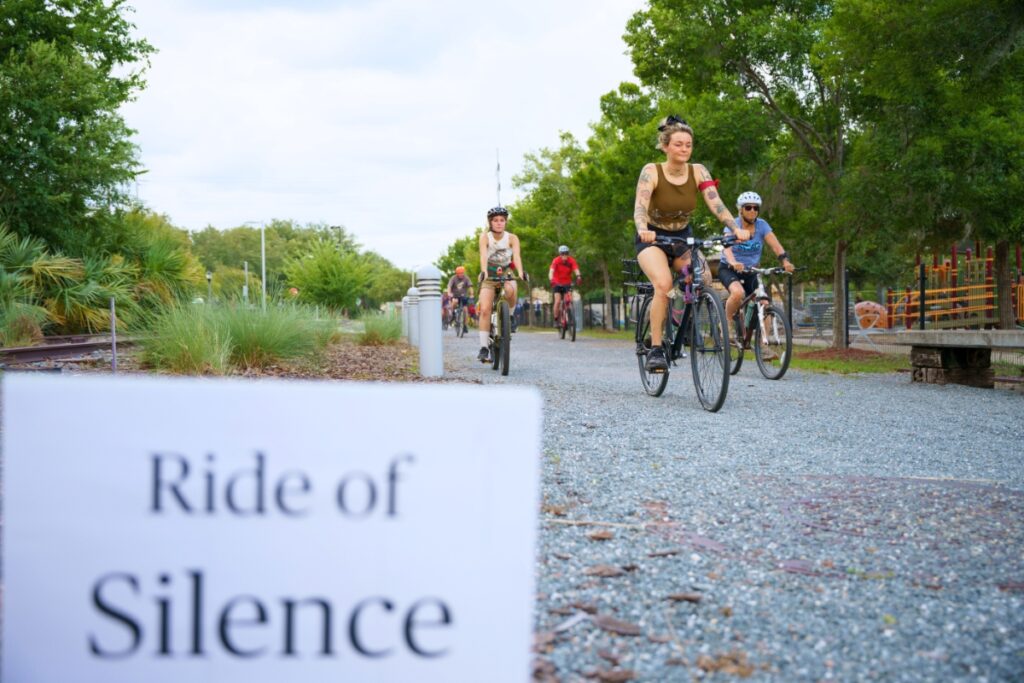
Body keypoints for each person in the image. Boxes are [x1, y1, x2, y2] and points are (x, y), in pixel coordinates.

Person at [633, 115, 751, 372]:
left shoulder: (698, 171)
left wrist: (735, 228)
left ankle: (681, 322)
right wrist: (643, 229)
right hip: (653, 239)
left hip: (681, 238)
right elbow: (640, 207)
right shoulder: (651, 171)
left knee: (703, 280)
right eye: (678, 144)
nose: (684, 149)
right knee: (663, 285)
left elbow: (716, 203)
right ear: (665, 146)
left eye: (688, 144)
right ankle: (655, 349)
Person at [719, 191, 795, 326]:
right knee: (737, 293)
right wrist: (733, 262)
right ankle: (727, 324)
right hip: (729, 268)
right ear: (740, 210)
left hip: (751, 270)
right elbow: (727, 248)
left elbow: (776, 246)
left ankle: (763, 345)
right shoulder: (733, 225)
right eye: (748, 207)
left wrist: (785, 261)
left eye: (756, 208)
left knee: (765, 304)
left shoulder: (762, 225)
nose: (752, 211)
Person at [477, 206, 525, 362]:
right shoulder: (485, 237)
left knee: (511, 289)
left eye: (502, 220)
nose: (499, 223)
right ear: (490, 222)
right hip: (489, 273)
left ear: (506, 222)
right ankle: (484, 347)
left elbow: (516, 257)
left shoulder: (512, 238)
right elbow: (484, 256)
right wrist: (484, 271)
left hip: (506, 272)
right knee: (485, 309)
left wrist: (521, 272)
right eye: (495, 220)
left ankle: (509, 317)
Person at [549, 245, 581, 328]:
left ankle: (569, 313)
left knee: (569, 299)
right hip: (557, 283)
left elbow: (576, 269)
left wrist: (578, 276)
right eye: (562, 254)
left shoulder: (571, 260)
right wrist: (551, 279)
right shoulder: (556, 260)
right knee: (558, 301)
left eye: (566, 253)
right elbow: (551, 271)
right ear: (560, 254)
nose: (564, 255)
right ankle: (556, 319)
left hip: (567, 283)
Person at [447, 265, 474, 334]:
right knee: (454, 301)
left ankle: (465, 325)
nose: (461, 274)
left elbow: (470, 287)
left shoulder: (466, 278)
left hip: (463, 296)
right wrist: (449, 293)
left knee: (465, 310)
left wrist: (471, 294)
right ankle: (453, 314)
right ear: (457, 273)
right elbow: (449, 286)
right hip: (455, 295)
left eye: (462, 273)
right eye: (459, 273)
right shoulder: (453, 278)